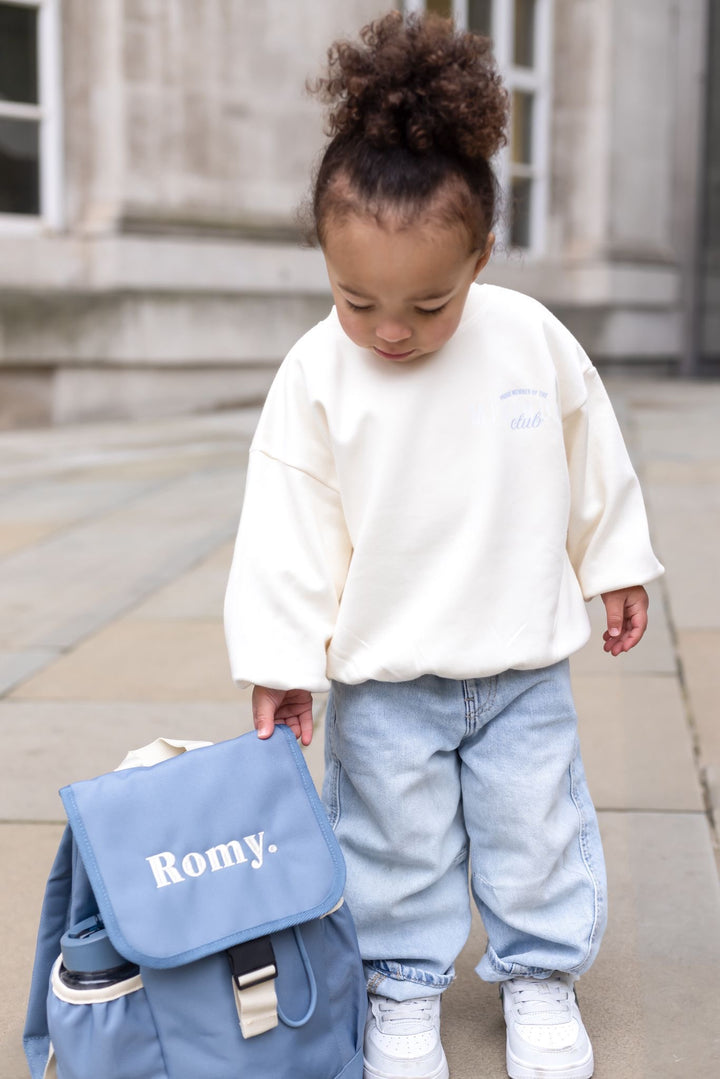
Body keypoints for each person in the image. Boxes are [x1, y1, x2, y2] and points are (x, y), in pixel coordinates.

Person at [224, 12, 663, 1079]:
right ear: (326, 262)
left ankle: (540, 973)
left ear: (481, 256)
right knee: (391, 842)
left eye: (430, 302)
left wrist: (614, 560)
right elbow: (287, 522)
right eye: (356, 299)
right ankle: (402, 986)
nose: (391, 329)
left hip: (520, 663)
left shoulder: (530, 339)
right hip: (385, 677)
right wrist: (281, 660)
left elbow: (589, 447)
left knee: (536, 827)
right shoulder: (315, 373)